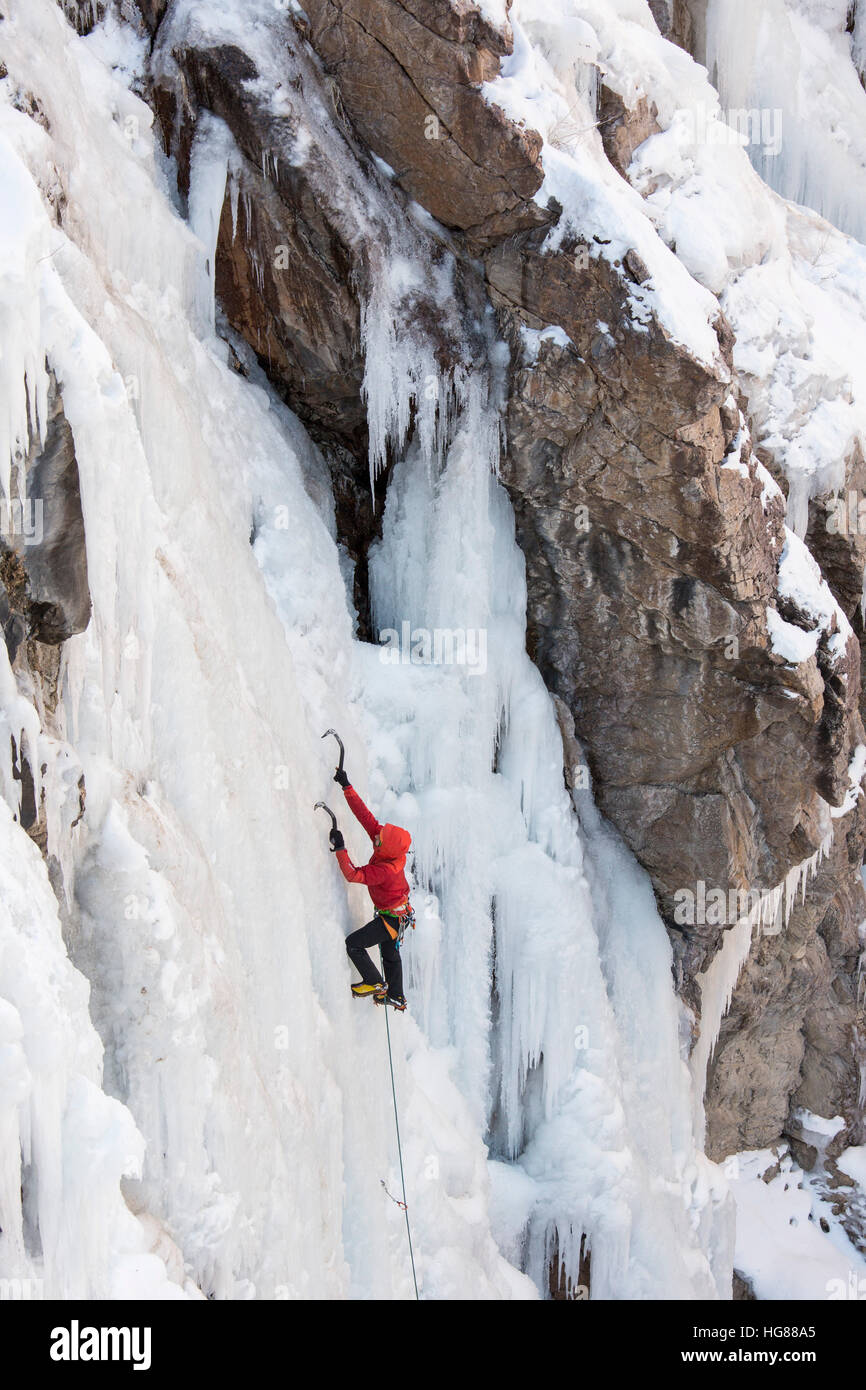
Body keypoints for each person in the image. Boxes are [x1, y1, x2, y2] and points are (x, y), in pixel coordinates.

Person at [328, 766, 412, 1011]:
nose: (376, 837)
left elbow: (354, 875)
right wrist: (347, 786)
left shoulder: (387, 870)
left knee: (354, 943)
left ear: (387, 849)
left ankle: (374, 982)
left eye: (380, 839)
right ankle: (396, 995)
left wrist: (340, 849)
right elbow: (365, 817)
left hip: (391, 920)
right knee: (389, 956)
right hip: (396, 916)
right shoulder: (385, 844)